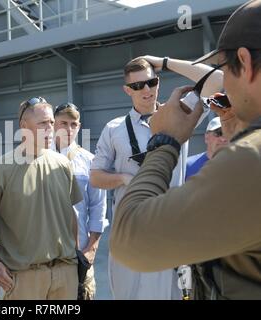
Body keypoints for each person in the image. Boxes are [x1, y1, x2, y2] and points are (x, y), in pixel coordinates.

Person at [110, 0, 261, 300]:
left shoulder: (250, 160)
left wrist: (164, 142)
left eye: (224, 68)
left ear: (243, 61)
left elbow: (131, 240)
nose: (223, 85)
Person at [90, 55, 223, 300]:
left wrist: (163, 61)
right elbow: (95, 177)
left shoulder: (179, 113)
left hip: (169, 229)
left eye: (151, 82)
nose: (146, 90)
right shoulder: (114, 128)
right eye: (137, 86)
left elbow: (216, 79)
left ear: (158, 82)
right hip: (130, 230)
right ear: (127, 90)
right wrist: (123, 179)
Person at [0, 97, 82, 300]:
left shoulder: (63, 165)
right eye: (43, 123)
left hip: (65, 274)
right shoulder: (0, 168)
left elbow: (70, 215)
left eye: (51, 122)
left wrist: (77, 259)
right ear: (24, 127)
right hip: (22, 279)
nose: (50, 128)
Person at [52, 102, 108, 300]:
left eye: (73, 124)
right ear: (53, 125)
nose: (68, 129)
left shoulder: (90, 161)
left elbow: (98, 208)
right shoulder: (37, 159)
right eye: (63, 123)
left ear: (79, 126)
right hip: (45, 255)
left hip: (80, 253)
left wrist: (91, 249)